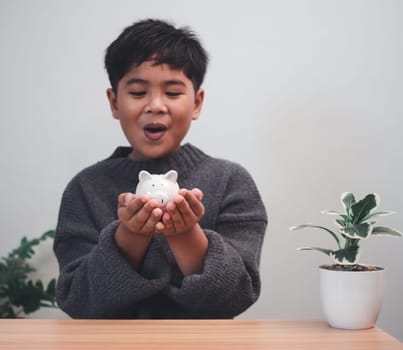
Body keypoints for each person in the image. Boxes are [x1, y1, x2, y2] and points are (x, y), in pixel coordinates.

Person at [53, 18, 268, 319]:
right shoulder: (86, 188)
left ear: (197, 103)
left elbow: (237, 296)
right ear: (114, 102)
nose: (156, 105)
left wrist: (184, 234)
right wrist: (130, 236)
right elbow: (76, 299)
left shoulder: (231, 182)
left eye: (173, 92)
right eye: (138, 93)